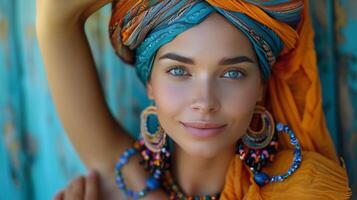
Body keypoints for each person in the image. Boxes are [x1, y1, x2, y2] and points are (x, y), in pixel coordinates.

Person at [36, 0, 352, 199]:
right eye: (178, 71)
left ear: (260, 85)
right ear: (149, 83)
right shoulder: (125, 177)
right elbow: (53, 17)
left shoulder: (301, 190)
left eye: (232, 74)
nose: (205, 101)